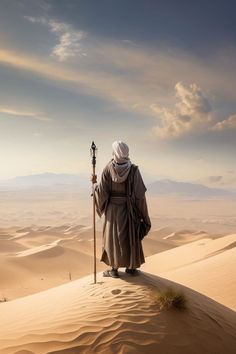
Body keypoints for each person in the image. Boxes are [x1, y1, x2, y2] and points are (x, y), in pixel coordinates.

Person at [92, 140, 151, 278]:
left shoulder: (108, 169)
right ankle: (131, 268)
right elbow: (140, 196)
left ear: (115, 152)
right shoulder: (134, 170)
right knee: (129, 237)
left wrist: (94, 185)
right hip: (128, 209)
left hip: (112, 211)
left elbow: (102, 193)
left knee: (113, 238)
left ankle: (114, 269)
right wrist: (144, 215)